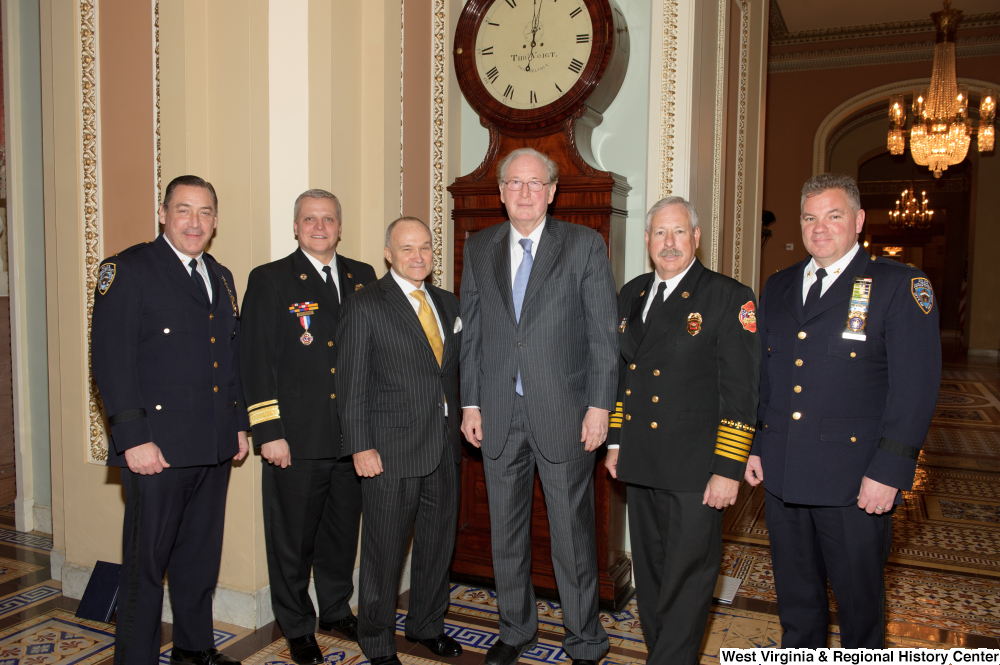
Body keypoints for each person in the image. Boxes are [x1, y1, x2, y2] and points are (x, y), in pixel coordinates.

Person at [746, 173, 941, 648]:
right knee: (796, 605)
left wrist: (891, 471)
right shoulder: (780, 285)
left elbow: (915, 389)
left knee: (859, 613)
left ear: (857, 220)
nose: (820, 228)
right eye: (810, 217)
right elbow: (766, 375)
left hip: (855, 482)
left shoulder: (898, 284)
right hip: (784, 470)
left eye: (833, 216)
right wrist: (755, 444)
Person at [459, 148, 618, 665]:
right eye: (514, 183)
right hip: (500, 413)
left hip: (565, 415)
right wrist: (471, 402)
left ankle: (584, 639)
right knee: (505, 531)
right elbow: (474, 334)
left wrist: (600, 408)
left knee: (572, 536)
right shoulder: (479, 246)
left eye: (535, 183)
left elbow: (602, 337)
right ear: (501, 191)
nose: (525, 193)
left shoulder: (583, 245)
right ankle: (514, 629)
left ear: (552, 191)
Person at [91, 175, 250, 665]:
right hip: (156, 449)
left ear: (216, 221)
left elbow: (230, 355)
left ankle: (194, 647)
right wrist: (133, 437)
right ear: (163, 214)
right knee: (146, 565)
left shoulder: (220, 274)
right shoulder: (129, 269)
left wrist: (239, 424)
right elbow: (110, 362)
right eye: (183, 210)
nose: (194, 222)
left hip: (215, 444)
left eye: (204, 212)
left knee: (199, 559)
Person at [604, 197, 759, 664]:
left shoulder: (729, 297)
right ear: (647, 241)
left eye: (678, 233)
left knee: (688, 576)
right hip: (643, 456)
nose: (668, 243)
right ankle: (668, 654)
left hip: (697, 467)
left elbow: (741, 392)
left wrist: (728, 469)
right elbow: (622, 374)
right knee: (650, 573)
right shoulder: (631, 292)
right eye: (659, 234)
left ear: (695, 238)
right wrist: (615, 441)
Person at [240, 190, 376, 664]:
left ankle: (336, 609)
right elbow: (255, 361)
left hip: (351, 437)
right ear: (295, 227)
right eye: (310, 219)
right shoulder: (270, 279)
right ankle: (296, 624)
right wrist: (268, 431)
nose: (320, 227)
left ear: (341, 226)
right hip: (295, 439)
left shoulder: (363, 277)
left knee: (341, 535)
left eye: (329, 219)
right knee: (293, 540)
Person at [337, 217, 463, 665]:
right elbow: (351, 385)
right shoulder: (365, 304)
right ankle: (376, 640)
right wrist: (360, 446)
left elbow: (451, 376)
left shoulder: (448, 304)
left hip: (444, 451)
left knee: (436, 547)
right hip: (387, 454)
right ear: (388, 254)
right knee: (383, 554)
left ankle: (427, 625)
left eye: (425, 247)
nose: (418, 256)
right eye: (406, 248)